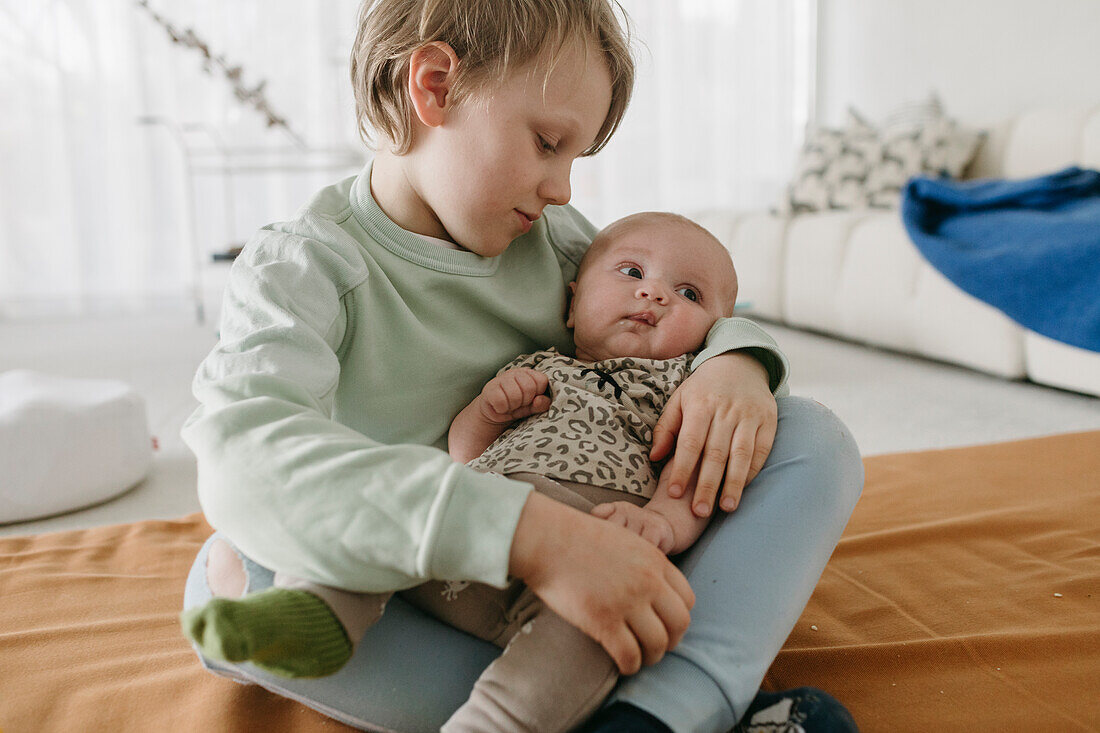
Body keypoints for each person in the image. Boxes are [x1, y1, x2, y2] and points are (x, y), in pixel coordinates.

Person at [179, 1, 864, 731]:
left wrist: (736, 363)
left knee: (809, 438)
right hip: (408, 583)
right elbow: (240, 452)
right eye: (546, 143)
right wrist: (533, 535)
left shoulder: (561, 244)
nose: (563, 188)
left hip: (589, 566)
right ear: (435, 86)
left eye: (575, 158)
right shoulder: (306, 264)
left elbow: (677, 304)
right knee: (237, 576)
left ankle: (655, 708)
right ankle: (681, 701)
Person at [184, 212, 748, 729]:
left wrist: (661, 525)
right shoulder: (540, 363)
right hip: (471, 529)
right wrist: (488, 410)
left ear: (713, 334)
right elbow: (464, 452)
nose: (653, 293)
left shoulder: (680, 390)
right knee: (388, 509)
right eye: (631, 271)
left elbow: (695, 474)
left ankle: (495, 720)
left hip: (588, 564)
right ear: (572, 304)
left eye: (689, 293)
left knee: (597, 636)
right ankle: (318, 614)